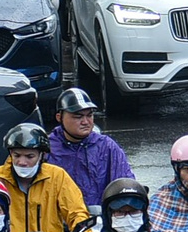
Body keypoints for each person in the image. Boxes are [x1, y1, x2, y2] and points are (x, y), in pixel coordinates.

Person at [0, 122, 89, 232]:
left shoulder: (57, 176)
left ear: (41, 155)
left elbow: (76, 211)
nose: (22, 162)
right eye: (16, 155)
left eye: (29, 156)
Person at [47, 87, 136, 217]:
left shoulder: (107, 146)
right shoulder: (46, 149)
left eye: (89, 115)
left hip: (101, 221)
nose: (85, 122)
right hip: (58, 222)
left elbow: (125, 185)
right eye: (78, 116)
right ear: (59, 117)